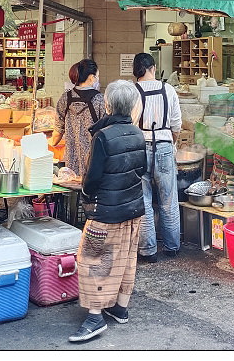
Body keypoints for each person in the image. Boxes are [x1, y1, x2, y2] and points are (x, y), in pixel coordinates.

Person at [69, 80, 147, 343]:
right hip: (134, 208)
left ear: (110, 105)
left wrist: (87, 194)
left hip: (106, 213)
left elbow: (92, 179)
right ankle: (120, 307)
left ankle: (95, 317)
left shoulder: (103, 136)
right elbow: (142, 170)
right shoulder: (138, 133)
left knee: (92, 260)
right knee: (126, 258)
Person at [131, 52, 182, 262]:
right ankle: (172, 247)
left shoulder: (132, 92)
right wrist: (172, 141)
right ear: (152, 68)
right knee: (168, 199)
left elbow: (129, 123)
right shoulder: (168, 90)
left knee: (143, 200)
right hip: (164, 145)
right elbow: (176, 124)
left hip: (139, 147)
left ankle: (148, 251)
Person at [50, 59, 106, 179]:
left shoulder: (65, 98)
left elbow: (57, 131)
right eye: (97, 76)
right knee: (89, 190)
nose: (97, 80)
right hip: (93, 158)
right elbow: (106, 130)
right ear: (91, 78)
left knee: (72, 190)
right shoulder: (100, 100)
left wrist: (50, 144)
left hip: (71, 159)